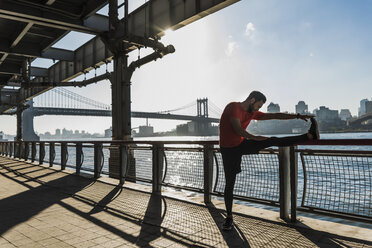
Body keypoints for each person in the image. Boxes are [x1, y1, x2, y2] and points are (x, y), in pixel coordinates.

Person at [219, 91, 319, 231]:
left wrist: (297, 116)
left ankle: (309, 135)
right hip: (228, 150)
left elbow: (275, 115)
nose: (258, 110)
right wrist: (256, 138)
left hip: (240, 144)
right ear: (252, 100)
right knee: (230, 183)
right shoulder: (233, 107)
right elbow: (238, 130)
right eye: (258, 106)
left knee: (272, 140)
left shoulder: (252, 112)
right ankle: (229, 217)